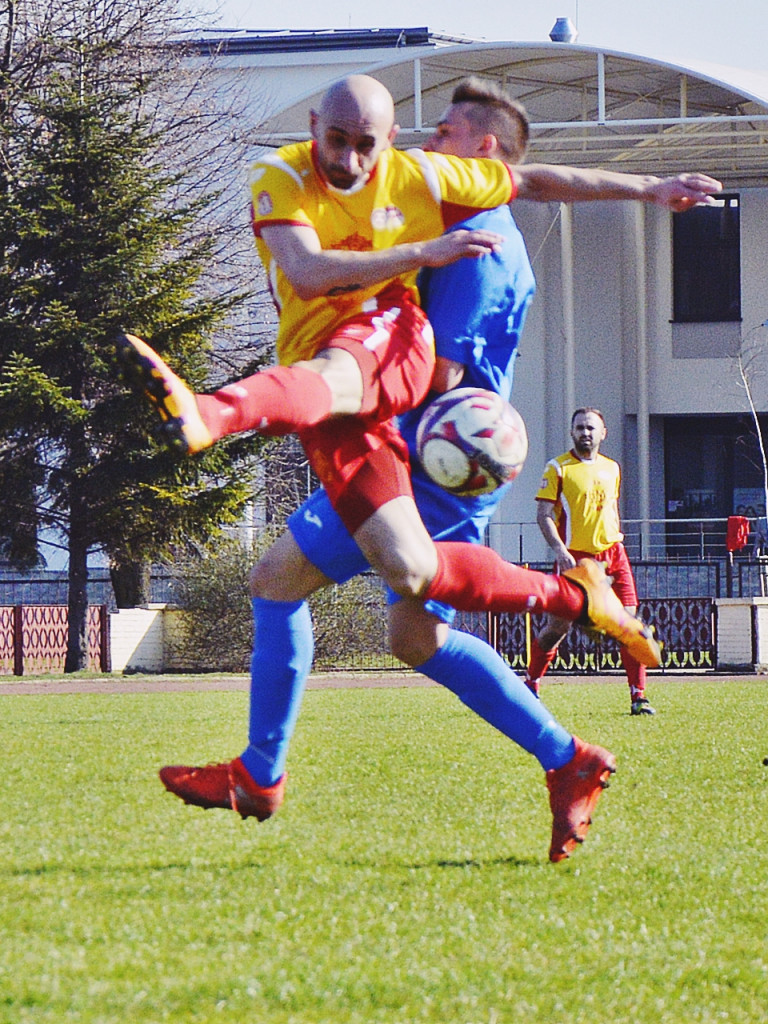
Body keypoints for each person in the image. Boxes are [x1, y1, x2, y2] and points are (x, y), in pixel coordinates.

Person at [118, 75, 719, 857]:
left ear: (483, 147)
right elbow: (542, 180)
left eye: (444, 131)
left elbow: (443, 377)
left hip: (436, 452)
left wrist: (344, 403)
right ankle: (566, 758)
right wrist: (648, 188)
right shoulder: (443, 202)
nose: (426, 143)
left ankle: (575, 607)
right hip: (415, 439)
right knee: (367, 615)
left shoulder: (480, 246)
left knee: (393, 585)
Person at [525, 408, 656, 715]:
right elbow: (544, 515)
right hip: (576, 561)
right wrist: (559, 550)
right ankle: (530, 684)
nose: (586, 433)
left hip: (613, 555)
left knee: (629, 626)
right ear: (572, 432)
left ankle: (639, 697)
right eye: (580, 427)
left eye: (591, 428)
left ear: (603, 433)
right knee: (558, 627)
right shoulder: (558, 468)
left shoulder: (612, 468)